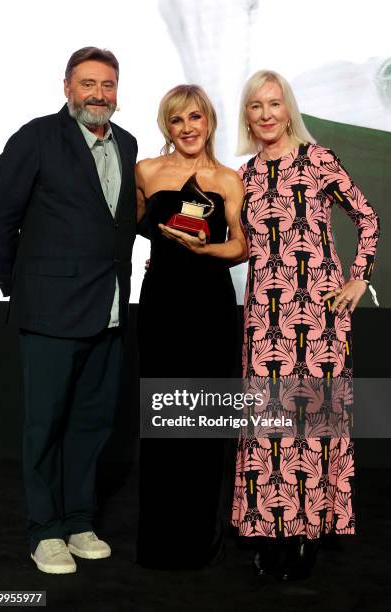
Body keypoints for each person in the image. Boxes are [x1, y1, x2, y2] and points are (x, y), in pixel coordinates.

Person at [0, 47, 138, 574]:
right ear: (67, 87)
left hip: (109, 310)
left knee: (91, 425)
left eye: (108, 85)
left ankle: (77, 520)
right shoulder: (37, 137)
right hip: (49, 312)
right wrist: (19, 286)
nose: (98, 94)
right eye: (88, 83)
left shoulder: (128, 144)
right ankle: (43, 531)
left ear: (117, 91)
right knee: (45, 424)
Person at [231, 70, 380, 580]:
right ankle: (268, 532)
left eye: (274, 103)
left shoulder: (319, 161)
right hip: (262, 321)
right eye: (256, 106)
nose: (266, 114)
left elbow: (368, 218)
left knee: (312, 426)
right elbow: (239, 245)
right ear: (247, 115)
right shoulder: (245, 175)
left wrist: (359, 278)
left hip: (319, 315)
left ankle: (307, 531)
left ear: (288, 108)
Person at [135, 84, 246, 569]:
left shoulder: (229, 179)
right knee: (162, 423)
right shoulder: (147, 171)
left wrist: (205, 250)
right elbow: (127, 228)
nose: (187, 128)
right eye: (177, 120)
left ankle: (201, 541)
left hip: (211, 307)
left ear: (209, 122)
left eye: (195, 118)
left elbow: (241, 245)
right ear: (167, 126)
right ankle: (159, 542)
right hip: (161, 306)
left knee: (203, 425)